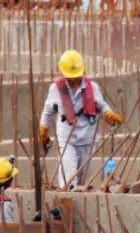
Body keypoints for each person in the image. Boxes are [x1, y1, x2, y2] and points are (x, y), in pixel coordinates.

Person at [39, 49, 123, 189]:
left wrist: (109, 114)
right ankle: (67, 198)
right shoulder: (55, 89)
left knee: (84, 181)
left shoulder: (92, 88)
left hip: (88, 139)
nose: (73, 80)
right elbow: (47, 112)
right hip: (67, 140)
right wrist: (43, 131)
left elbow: (101, 106)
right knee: (69, 178)